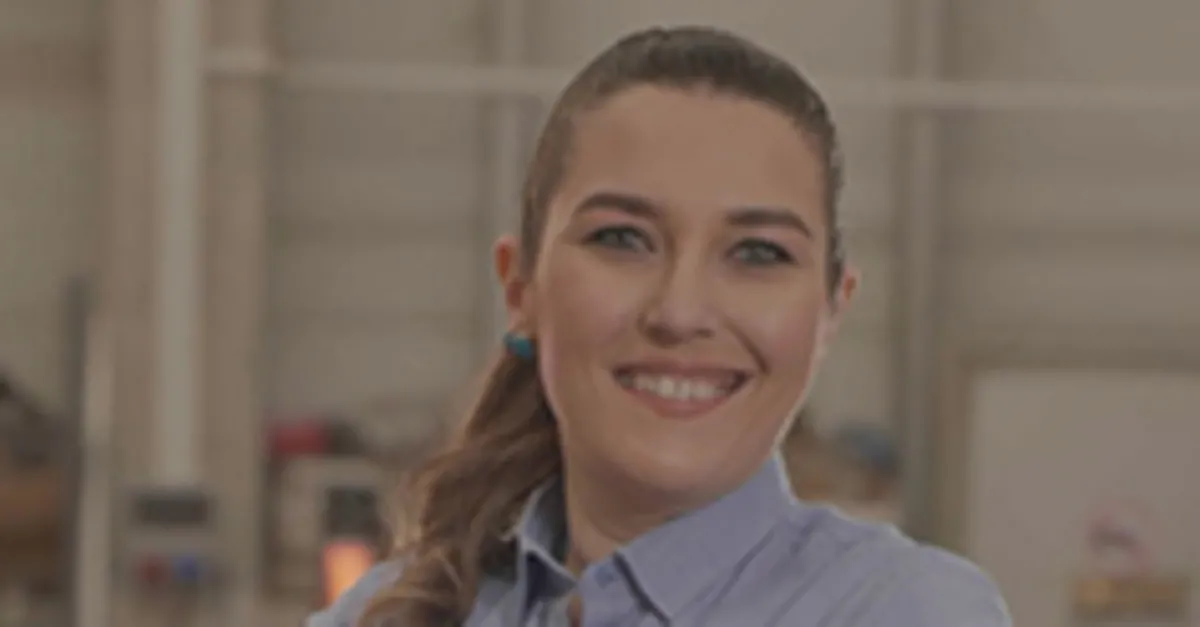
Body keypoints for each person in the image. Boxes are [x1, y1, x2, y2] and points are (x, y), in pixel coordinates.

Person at [309, 25, 1010, 627]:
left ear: (831, 311)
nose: (680, 312)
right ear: (520, 287)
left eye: (758, 253)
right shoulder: (385, 612)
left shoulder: (905, 609)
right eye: (622, 239)